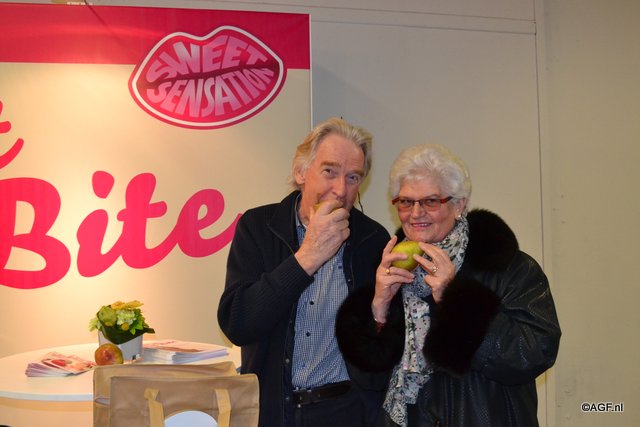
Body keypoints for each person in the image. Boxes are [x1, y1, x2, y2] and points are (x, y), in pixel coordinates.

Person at [335, 143, 561, 426]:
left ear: (459, 205)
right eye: (406, 202)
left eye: (430, 201)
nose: (415, 213)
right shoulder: (390, 269)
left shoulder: (508, 267)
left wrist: (454, 301)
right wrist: (378, 307)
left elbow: (534, 353)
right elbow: (368, 380)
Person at [217, 117, 391, 427]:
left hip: (347, 412)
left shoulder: (372, 239)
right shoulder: (258, 228)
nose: (341, 189)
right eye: (329, 172)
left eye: (353, 177)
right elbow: (238, 324)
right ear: (301, 172)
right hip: (273, 411)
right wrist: (307, 257)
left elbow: (381, 350)